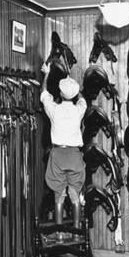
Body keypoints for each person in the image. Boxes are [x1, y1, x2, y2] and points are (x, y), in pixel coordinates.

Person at [40, 62, 87, 228]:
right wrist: (76, 90)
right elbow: (82, 100)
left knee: (58, 195)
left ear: (60, 92)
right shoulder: (79, 109)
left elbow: (44, 93)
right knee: (75, 194)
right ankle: (76, 229)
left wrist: (46, 73)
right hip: (74, 155)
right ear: (74, 95)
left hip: (58, 155)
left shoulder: (54, 109)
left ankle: (59, 233)